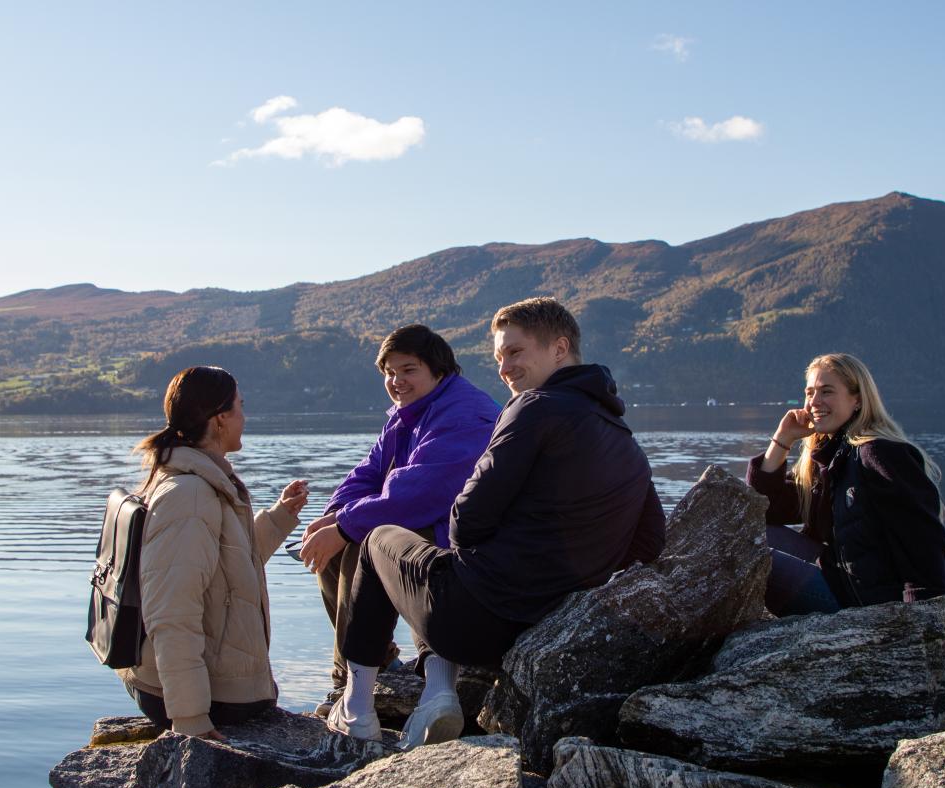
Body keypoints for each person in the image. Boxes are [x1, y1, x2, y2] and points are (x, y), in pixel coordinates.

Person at [325, 297, 667, 748]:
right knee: (420, 548)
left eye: (515, 352)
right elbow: (649, 542)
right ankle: (435, 692)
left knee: (377, 538)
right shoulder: (625, 439)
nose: (504, 368)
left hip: (478, 618)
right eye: (499, 356)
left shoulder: (533, 409)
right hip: (552, 620)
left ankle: (357, 708)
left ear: (559, 349)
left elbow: (467, 519)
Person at [297, 324, 501, 715]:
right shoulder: (410, 413)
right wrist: (332, 518)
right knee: (332, 553)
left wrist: (345, 528)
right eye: (389, 372)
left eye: (408, 370)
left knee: (360, 545)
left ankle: (350, 681)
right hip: (428, 522)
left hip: (464, 541)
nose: (396, 381)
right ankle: (383, 660)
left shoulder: (464, 415)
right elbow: (370, 471)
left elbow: (422, 492)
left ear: (439, 370)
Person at [119, 366, 309, 739]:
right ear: (220, 419)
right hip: (209, 697)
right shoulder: (189, 496)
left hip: (212, 687)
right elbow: (172, 609)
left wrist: (278, 518)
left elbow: (229, 564)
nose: (244, 416)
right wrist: (191, 719)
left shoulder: (198, 480)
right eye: (240, 407)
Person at [746, 352, 945, 616]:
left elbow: (921, 536)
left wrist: (922, 615)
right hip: (844, 578)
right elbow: (762, 510)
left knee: (748, 559)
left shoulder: (879, 454)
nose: (814, 402)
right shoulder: (831, 456)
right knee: (750, 538)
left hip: (873, 603)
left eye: (826, 392)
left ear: (858, 399)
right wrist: (782, 439)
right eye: (809, 393)